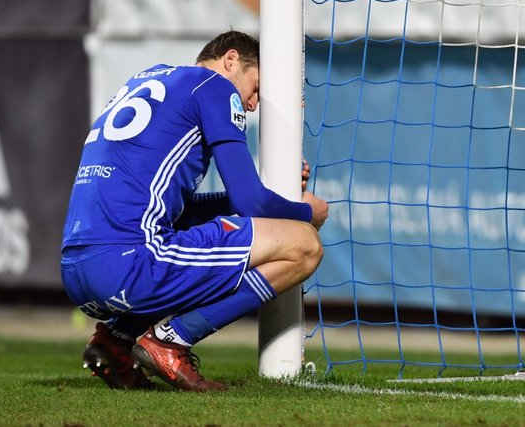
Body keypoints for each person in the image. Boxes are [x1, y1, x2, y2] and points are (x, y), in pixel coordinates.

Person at [60, 30, 329, 391]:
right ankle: (170, 341)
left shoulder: (149, 80)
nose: (252, 104)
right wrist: (303, 212)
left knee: (182, 240)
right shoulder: (214, 87)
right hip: (128, 265)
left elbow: (183, 214)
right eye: (255, 87)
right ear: (231, 60)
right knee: (304, 244)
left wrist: (270, 205)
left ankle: (115, 341)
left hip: (77, 269)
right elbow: (251, 202)